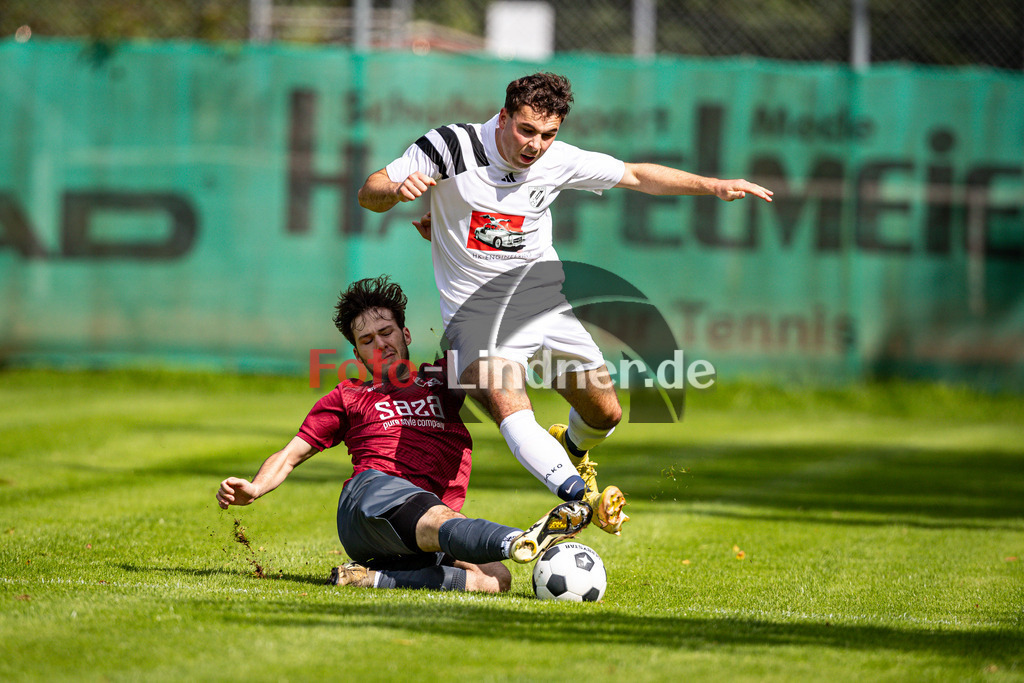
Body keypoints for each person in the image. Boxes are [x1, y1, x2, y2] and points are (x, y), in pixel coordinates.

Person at [357, 72, 773, 536]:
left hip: (542, 304)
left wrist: (713, 186)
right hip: (476, 314)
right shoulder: (449, 146)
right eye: (526, 130)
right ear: (503, 116)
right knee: (508, 402)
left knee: (606, 413)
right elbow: (369, 192)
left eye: (548, 134)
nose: (536, 145)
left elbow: (636, 175)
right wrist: (395, 191)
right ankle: (582, 498)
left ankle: (571, 448)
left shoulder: (559, 161)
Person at [216, 275, 591, 593]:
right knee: (441, 519)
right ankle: (516, 539)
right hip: (370, 500)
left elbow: (484, 345)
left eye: (386, 332)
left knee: (495, 578)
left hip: (417, 529)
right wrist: (255, 487)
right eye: (367, 341)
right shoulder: (347, 395)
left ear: (405, 332)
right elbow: (291, 454)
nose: (380, 344)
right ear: (357, 353)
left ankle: (376, 578)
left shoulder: (441, 379)